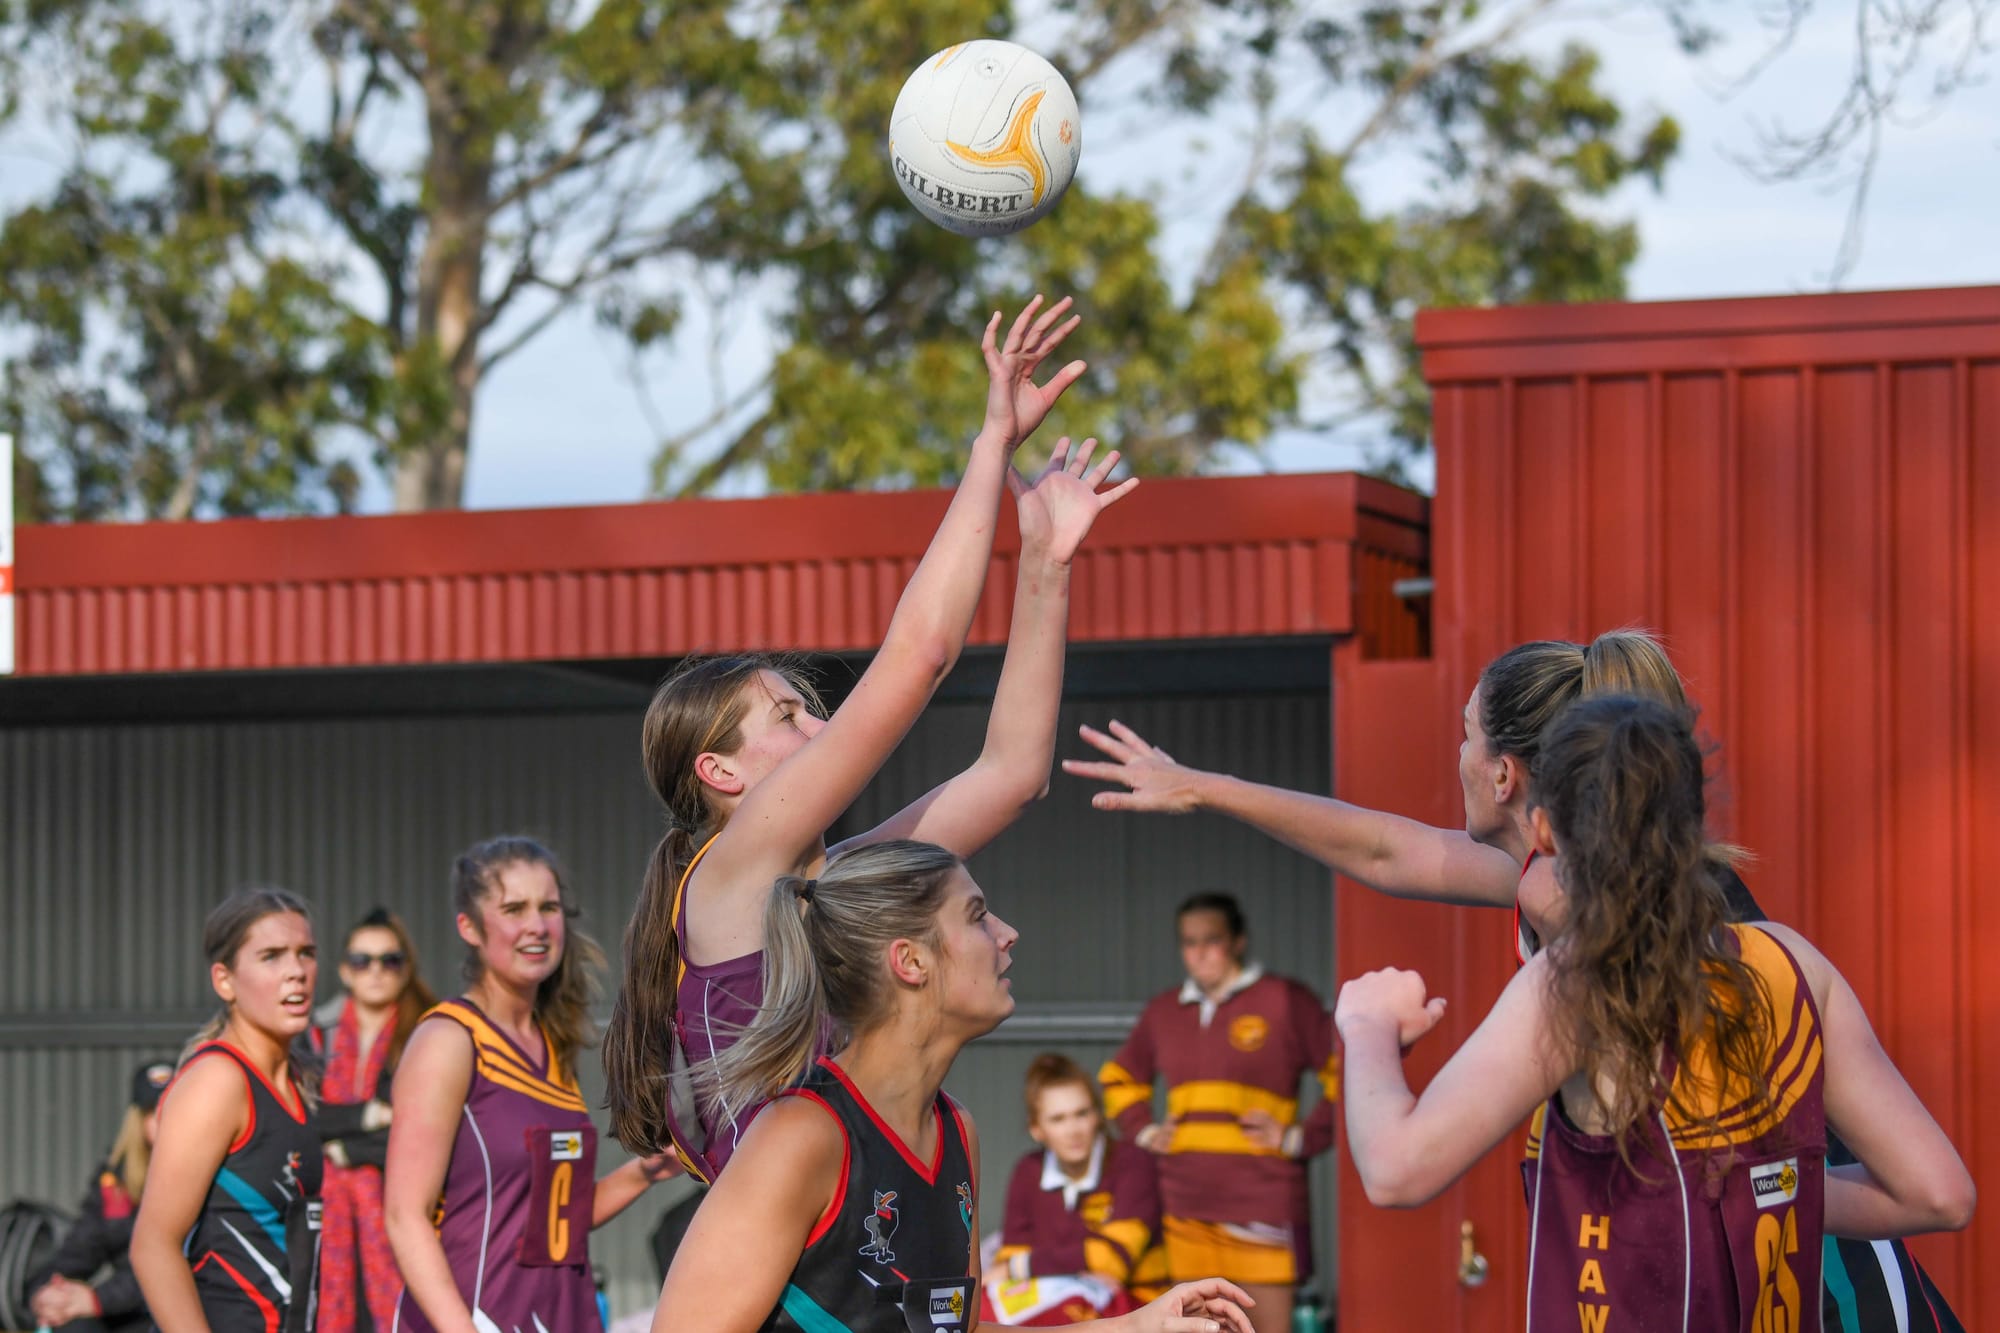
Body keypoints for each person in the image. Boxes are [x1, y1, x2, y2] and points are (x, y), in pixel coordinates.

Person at [1068, 630, 1970, 1329]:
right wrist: (1205, 787)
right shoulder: (1762, 944)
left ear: (1511, 784)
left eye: (1464, 733)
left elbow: (1398, 1168)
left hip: (1801, 1288)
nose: (1455, 752)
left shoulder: (1590, 966)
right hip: (1806, 1272)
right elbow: (1385, 849)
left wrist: (1367, 1027)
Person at [604, 294, 1140, 1181]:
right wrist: (991, 444)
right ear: (719, 771)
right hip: (782, 1252)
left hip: (848, 1231)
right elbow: (920, 656)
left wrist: (1046, 562)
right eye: (788, 717)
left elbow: (1012, 774)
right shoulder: (733, 867)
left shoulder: (830, 882)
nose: (820, 727)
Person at [1335, 695, 1975, 1331]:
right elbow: (1937, 1194)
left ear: (1543, 830)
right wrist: (1763, 1189)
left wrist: (1368, 1027)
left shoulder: (1577, 985)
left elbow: (1396, 1170)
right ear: (1692, 826)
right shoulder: (1792, 962)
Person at [648, 839, 1253, 1333]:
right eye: (977, 915)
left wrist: (1136, 1326)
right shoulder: (801, 1134)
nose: (1007, 933)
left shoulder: (957, 1130)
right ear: (910, 961)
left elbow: (952, 1330)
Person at [384, 837, 679, 1333]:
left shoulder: (550, 1044)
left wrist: (645, 1173)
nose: (537, 926)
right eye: (514, 909)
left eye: (549, 907)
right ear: (469, 927)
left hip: (559, 1314)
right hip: (474, 1316)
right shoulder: (448, 1041)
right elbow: (403, 1215)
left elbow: (551, 1223)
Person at [1098, 895, 1336, 1333]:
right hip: (1185, 1210)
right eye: (1189, 942)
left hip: (1264, 1205)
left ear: (1238, 941)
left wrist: (1300, 1137)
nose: (1200, 953)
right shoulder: (1164, 1012)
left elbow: (1349, 1072)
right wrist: (1145, 1131)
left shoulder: (1285, 1000)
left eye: (1212, 940)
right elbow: (1117, 1078)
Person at [131, 888, 324, 1333]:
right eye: (271, 956)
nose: (296, 972)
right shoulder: (218, 1081)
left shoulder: (303, 1080)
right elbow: (153, 1246)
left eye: (306, 953)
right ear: (224, 981)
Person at [313, 908, 435, 1333]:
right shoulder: (315, 1035)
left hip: (404, 1215)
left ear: (406, 969)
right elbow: (303, 1119)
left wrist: (346, 1148)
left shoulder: (429, 1033)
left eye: (390, 960)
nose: (376, 971)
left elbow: (425, 1136)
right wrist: (370, 1115)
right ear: (345, 971)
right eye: (362, 961)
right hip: (328, 1219)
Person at [985, 1054, 1168, 1326]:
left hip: (1138, 1307)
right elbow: (1009, 1257)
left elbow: (1112, 1261)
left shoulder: (1133, 1163)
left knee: (1069, 1308)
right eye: (1058, 1119)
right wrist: (1076, 1266)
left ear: (1097, 1115)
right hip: (1057, 1299)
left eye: (1082, 1114)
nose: (1073, 1130)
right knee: (980, 1310)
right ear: (1036, 1129)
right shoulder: (1028, 1170)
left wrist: (1022, 1266)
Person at [26, 1060, 173, 1332]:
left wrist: (98, 1299)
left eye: (172, 1110)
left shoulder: (206, 1175)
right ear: (138, 1120)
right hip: (129, 1309)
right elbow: (84, 1245)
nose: (163, 1121)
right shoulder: (116, 1179)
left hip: (178, 1309)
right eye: (154, 1112)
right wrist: (47, 1291)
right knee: (71, 1325)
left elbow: (179, 1266)